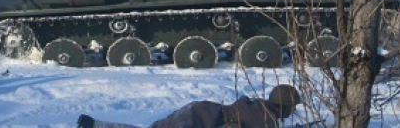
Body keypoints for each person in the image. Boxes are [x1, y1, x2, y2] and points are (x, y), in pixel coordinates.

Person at [76, 84, 301, 128]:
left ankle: (95, 124)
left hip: (197, 110)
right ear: (287, 107)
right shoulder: (267, 121)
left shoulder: (259, 106)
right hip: (198, 121)